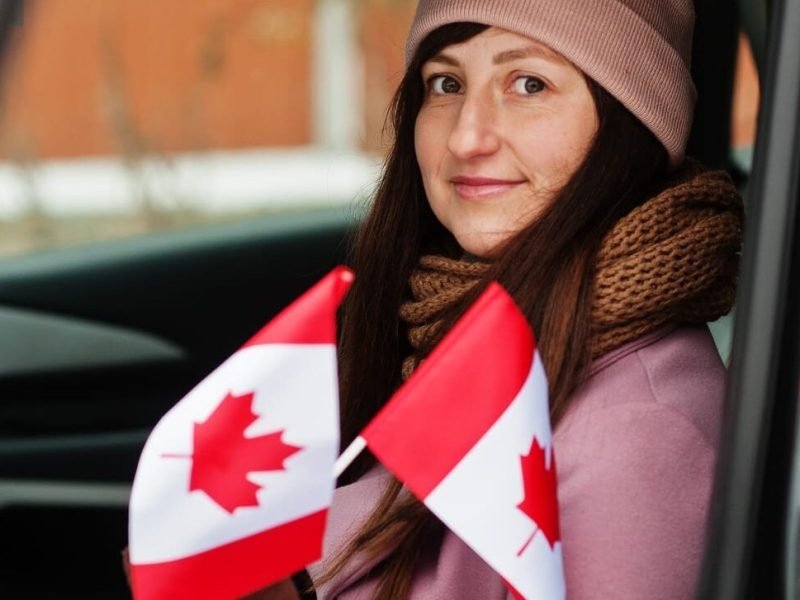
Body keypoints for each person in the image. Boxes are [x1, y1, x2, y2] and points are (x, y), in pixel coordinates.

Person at [300, 1, 742, 598]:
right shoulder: (449, 336)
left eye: (529, 83)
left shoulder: (640, 433)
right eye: (446, 83)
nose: (466, 135)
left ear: (629, 124)